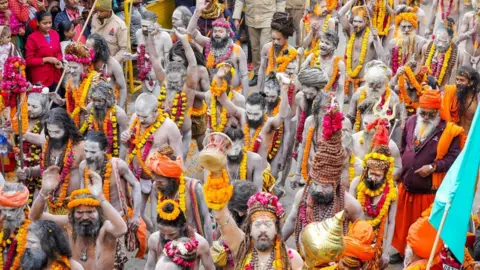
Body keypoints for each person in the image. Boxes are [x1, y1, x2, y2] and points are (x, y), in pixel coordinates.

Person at [391, 89, 464, 264]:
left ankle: (420, 259)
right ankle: (402, 253)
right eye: (422, 112)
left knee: (422, 229)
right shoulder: (410, 122)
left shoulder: (448, 130)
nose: (425, 117)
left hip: (427, 191)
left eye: (430, 114)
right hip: (406, 186)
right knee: (402, 226)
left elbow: (454, 157)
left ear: (438, 112)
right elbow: (403, 147)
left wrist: (433, 167)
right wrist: (401, 168)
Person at [282, 105, 363, 248]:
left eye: (325, 186)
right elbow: (292, 220)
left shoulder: (350, 205)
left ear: (335, 183)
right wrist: (277, 246)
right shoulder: (302, 195)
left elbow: (360, 239)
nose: (318, 189)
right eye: (315, 183)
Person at [30, 167, 128, 270]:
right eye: (79, 212)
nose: (85, 217)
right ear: (72, 214)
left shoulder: (105, 229)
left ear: (99, 213)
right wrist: (43, 192)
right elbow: (35, 217)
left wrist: (100, 197)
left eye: (90, 212)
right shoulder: (69, 223)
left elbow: (122, 229)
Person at [78, 131, 147, 258]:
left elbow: (136, 185)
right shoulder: (83, 166)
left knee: (115, 261)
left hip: (116, 220)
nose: (87, 155)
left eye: (93, 152)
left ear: (104, 150)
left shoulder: (117, 165)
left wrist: (137, 215)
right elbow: (83, 194)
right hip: (93, 220)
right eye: (86, 151)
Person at [121, 93, 183, 232]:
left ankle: (159, 244)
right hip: (138, 177)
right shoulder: (135, 118)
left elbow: (179, 158)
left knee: (157, 218)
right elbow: (130, 146)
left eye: (145, 117)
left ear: (156, 111)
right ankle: (151, 236)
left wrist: (175, 186)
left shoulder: (169, 127)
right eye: (139, 115)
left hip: (159, 181)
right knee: (138, 215)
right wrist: (125, 140)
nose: (140, 120)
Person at [217, 68, 290, 182]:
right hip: (240, 168)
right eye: (249, 113)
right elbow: (223, 99)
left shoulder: (269, 124)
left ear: (265, 109)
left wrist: (284, 90)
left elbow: (283, 115)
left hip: (260, 173)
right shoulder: (242, 115)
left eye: (256, 114)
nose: (251, 117)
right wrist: (220, 78)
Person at [17, 107, 85, 214]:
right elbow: (46, 169)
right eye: (50, 131)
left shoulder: (80, 146)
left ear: (67, 128)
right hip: (50, 203)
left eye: (57, 132)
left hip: (74, 206)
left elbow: (89, 176)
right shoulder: (47, 143)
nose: (53, 135)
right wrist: (29, 172)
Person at [349, 122, 398, 268]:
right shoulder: (357, 183)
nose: (373, 178)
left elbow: (391, 222)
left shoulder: (392, 190)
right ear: (366, 171)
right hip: (355, 238)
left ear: (386, 174)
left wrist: (386, 252)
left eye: (378, 175)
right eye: (371, 173)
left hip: (377, 242)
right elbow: (347, 214)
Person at [146, 144, 212, 243]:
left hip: (192, 241)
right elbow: (155, 219)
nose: (157, 184)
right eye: (155, 181)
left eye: (161, 182)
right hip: (167, 241)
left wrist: (209, 247)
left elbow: (206, 220)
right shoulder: (156, 187)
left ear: (172, 179)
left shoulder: (194, 187)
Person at [188, 0, 249, 96]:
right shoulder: (209, 43)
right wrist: (197, 12)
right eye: (215, 31)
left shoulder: (237, 50)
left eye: (220, 31)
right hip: (213, 93)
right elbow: (191, 32)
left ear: (228, 33)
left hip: (234, 94)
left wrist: (244, 100)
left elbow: (244, 76)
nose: (216, 34)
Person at [144, 199, 214, 269]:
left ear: (183, 227)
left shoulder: (201, 244)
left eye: (171, 234)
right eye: (162, 233)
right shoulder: (154, 239)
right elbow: (150, 266)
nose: (166, 237)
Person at [346, 60, 402, 145]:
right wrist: (348, 141)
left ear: (385, 84)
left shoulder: (393, 99)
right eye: (371, 85)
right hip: (359, 140)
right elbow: (350, 118)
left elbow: (396, 126)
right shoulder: (358, 95)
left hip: (382, 143)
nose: (374, 88)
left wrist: (395, 146)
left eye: (378, 85)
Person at [232, 0, 285, 87]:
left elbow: (280, 1)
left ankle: (268, 74)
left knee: (265, 47)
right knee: (254, 48)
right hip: (251, 18)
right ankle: (257, 74)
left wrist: (279, 18)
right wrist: (236, 17)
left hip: (269, 18)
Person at [49, 42, 102, 128]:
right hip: (75, 124)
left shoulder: (97, 80)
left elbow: (103, 105)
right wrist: (61, 101)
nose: (71, 71)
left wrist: (90, 111)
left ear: (85, 66)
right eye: (69, 67)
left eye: (75, 67)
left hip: (92, 125)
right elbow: (74, 101)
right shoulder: (72, 81)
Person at [338, 4, 382, 101]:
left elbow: (381, 55)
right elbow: (340, 14)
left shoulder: (371, 36)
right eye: (354, 21)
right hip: (350, 77)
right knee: (351, 106)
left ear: (366, 22)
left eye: (360, 22)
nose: (356, 24)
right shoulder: (351, 31)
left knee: (362, 108)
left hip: (364, 79)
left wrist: (376, 39)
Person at [350, 104, 402, 178]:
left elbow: (397, 167)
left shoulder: (390, 145)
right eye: (365, 123)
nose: (368, 128)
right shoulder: (354, 138)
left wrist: (382, 177)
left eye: (374, 124)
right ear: (362, 118)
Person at [79, 82, 128, 158]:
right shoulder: (90, 108)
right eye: (94, 100)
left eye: (100, 101)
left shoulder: (119, 114)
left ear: (108, 101)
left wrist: (119, 161)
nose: (96, 104)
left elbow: (124, 142)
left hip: (112, 151)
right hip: (93, 147)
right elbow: (89, 128)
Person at [292, 91, 330, 188]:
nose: (326, 112)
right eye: (323, 109)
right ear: (317, 108)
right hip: (310, 165)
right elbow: (304, 146)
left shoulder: (337, 124)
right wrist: (297, 173)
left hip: (328, 169)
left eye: (329, 109)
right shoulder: (310, 121)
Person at [301, 30, 345, 106]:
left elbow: (341, 89)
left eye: (327, 43)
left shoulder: (339, 64)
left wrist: (340, 108)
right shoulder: (312, 57)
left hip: (328, 98)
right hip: (310, 95)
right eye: (322, 42)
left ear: (334, 47)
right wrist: (300, 59)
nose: (323, 45)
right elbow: (300, 76)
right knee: (299, 96)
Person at [258, 12, 297, 91]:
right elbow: (262, 70)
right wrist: (260, 91)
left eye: (278, 39)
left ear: (285, 37)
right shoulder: (266, 48)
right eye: (273, 38)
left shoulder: (292, 52)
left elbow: (294, 77)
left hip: (283, 88)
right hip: (268, 86)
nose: (275, 42)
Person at [21, 90, 49, 204]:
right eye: (28, 105)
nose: (29, 109)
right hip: (20, 169)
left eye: (34, 106)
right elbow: (13, 145)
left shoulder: (45, 122)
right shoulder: (22, 121)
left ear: (43, 108)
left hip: (37, 170)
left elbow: (42, 141)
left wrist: (21, 132)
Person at [25, 10, 63, 92]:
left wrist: (58, 60)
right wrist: (47, 59)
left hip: (55, 76)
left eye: (50, 22)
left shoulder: (55, 34)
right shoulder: (32, 38)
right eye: (45, 23)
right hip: (41, 78)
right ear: (38, 23)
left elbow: (59, 52)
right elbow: (29, 61)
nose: (48, 25)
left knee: (56, 102)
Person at [86, 34, 127, 108]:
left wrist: (119, 109)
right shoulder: (86, 62)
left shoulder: (112, 64)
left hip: (108, 105)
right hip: (91, 105)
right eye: (86, 47)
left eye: (88, 48)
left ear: (97, 49)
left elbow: (122, 88)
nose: (86, 51)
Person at [294, 68, 329, 151]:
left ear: (319, 89)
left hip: (321, 138)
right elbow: (298, 120)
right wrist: (296, 141)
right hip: (305, 136)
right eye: (305, 93)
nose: (308, 97)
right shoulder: (299, 97)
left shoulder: (327, 101)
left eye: (311, 93)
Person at [204, 64, 245, 134]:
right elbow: (209, 120)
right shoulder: (208, 95)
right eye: (214, 84)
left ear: (229, 84)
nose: (217, 89)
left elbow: (242, 127)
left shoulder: (239, 99)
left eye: (220, 85)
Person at [385, 9, 427, 76]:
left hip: (415, 76)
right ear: (399, 27)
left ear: (414, 27)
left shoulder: (421, 42)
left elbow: (425, 64)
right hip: (397, 76)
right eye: (403, 27)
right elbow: (388, 64)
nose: (406, 30)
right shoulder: (393, 43)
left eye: (409, 27)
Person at [441, 66, 480, 136]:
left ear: (471, 82)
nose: (458, 83)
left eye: (462, 80)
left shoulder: (477, 102)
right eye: (457, 79)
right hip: (453, 138)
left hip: (469, 140)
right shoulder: (452, 94)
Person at [0, 183, 31, 269]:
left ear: (24, 206)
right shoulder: (3, 222)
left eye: (12, 210)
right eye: (3, 210)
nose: (8, 215)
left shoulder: (33, 234)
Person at [421, 22, 461, 88]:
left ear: (450, 39)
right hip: (425, 84)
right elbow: (422, 66)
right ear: (434, 37)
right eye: (438, 40)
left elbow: (453, 76)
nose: (440, 45)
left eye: (444, 41)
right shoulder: (426, 47)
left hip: (442, 88)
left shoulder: (456, 54)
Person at [456, 0, 480, 72]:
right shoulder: (468, 16)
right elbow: (459, 37)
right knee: (464, 74)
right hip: (468, 53)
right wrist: (472, 31)